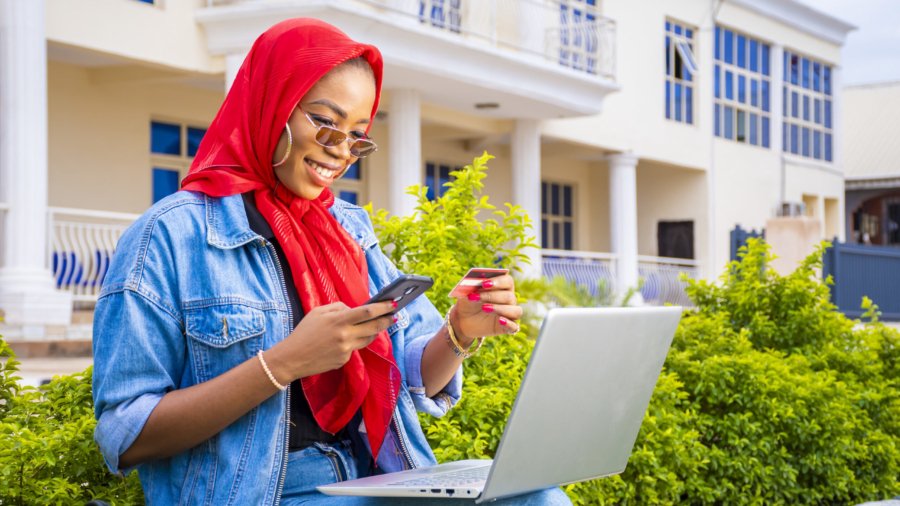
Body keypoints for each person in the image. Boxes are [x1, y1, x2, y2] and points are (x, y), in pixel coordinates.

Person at [92, 18, 570, 505]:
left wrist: (460, 330)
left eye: (356, 135)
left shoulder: (348, 228)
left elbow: (410, 373)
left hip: (368, 480)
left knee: (539, 497)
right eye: (325, 122)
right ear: (272, 103)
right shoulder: (170, 236)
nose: (340, 151)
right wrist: (283, 364)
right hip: (262, 493)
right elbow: (125, 436)